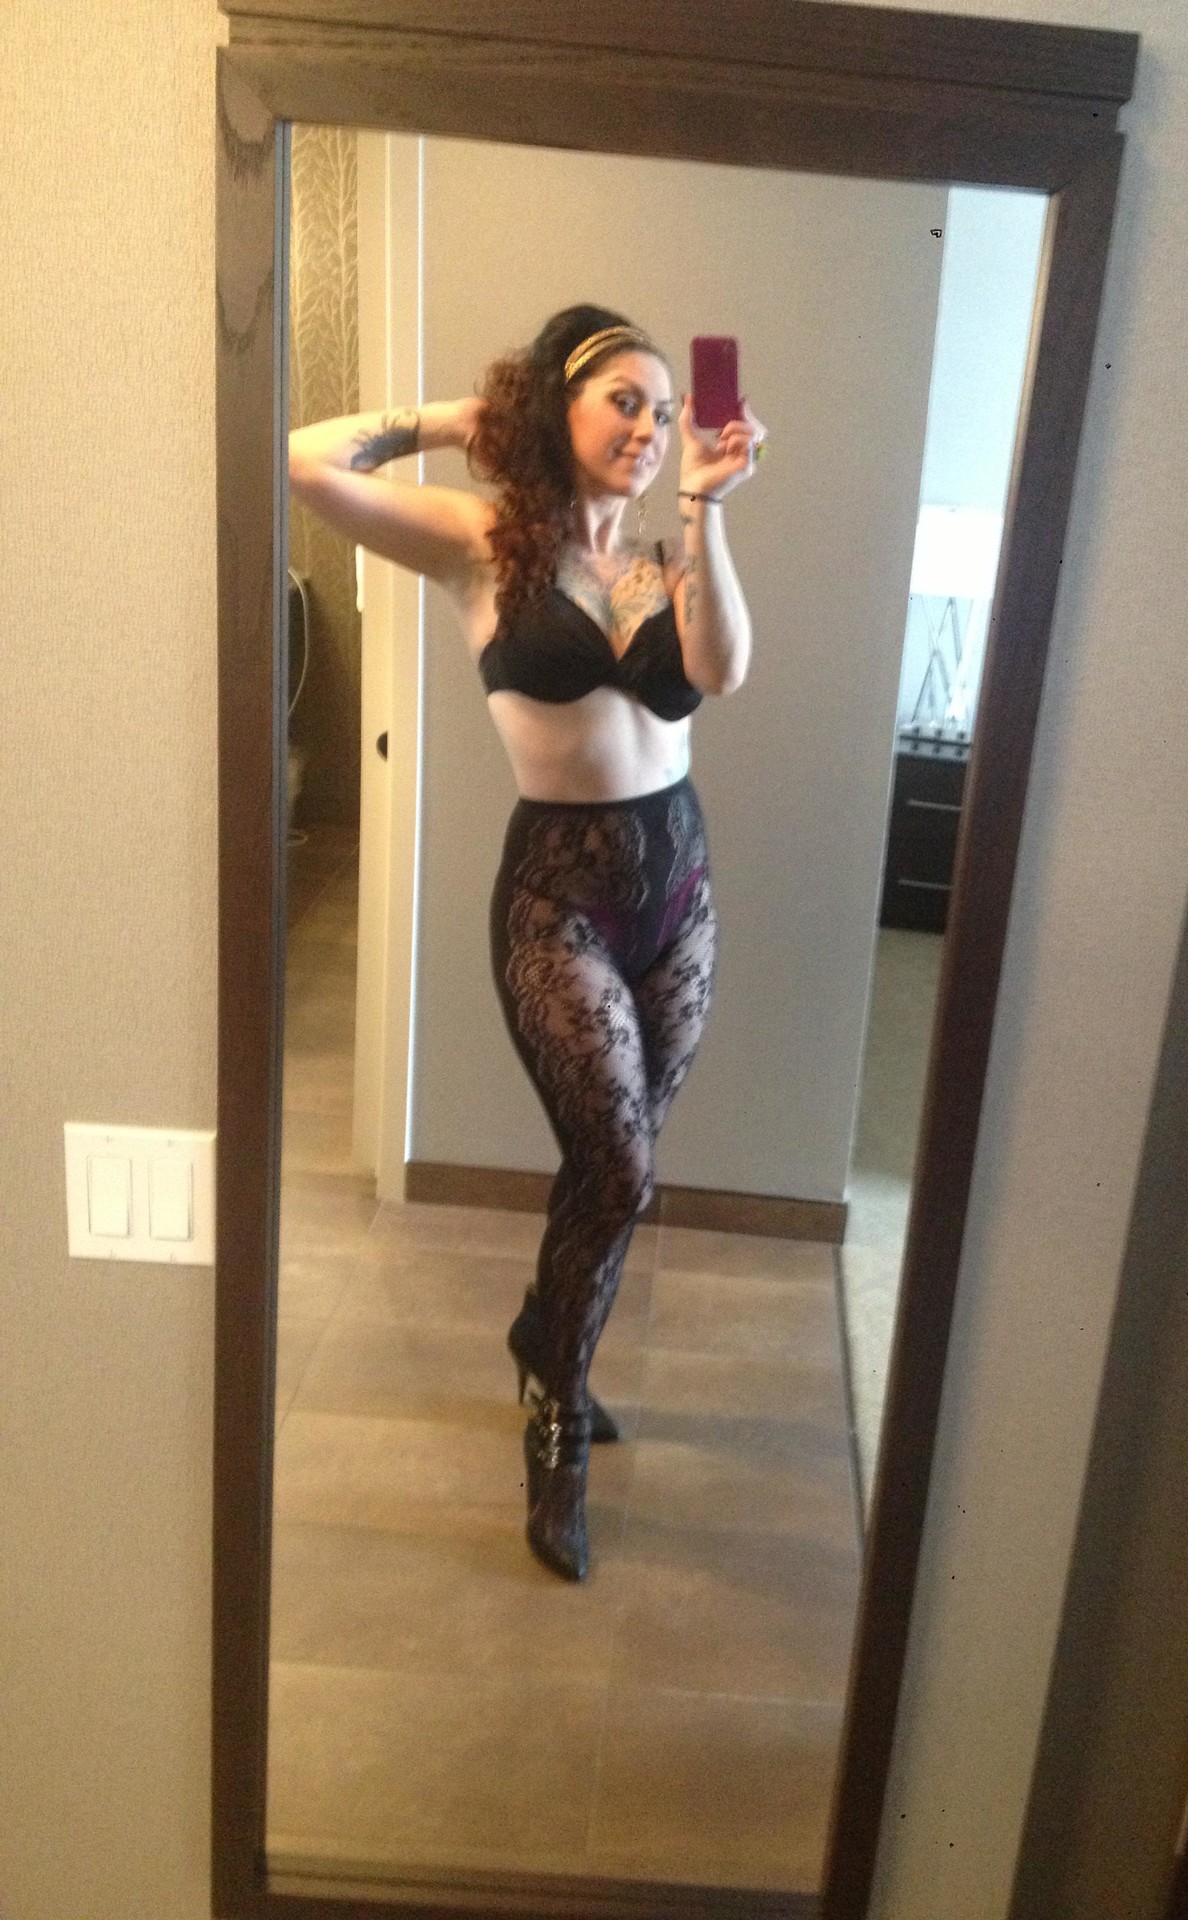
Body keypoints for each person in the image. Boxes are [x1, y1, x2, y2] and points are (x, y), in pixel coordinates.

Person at [288, 304, 764, 1581]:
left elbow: (723, 671)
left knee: (612, 1169)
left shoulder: (661, 561)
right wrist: (467, 421)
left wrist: (709, 509)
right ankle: (556, 1420)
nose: (650, 427)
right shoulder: (481, 543)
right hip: (560, 902)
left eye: (665, 409)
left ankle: (547, 1335)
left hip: (679, 895)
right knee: (618, 1166)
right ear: (558, 408)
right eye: (624, 400)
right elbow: (306, 461)